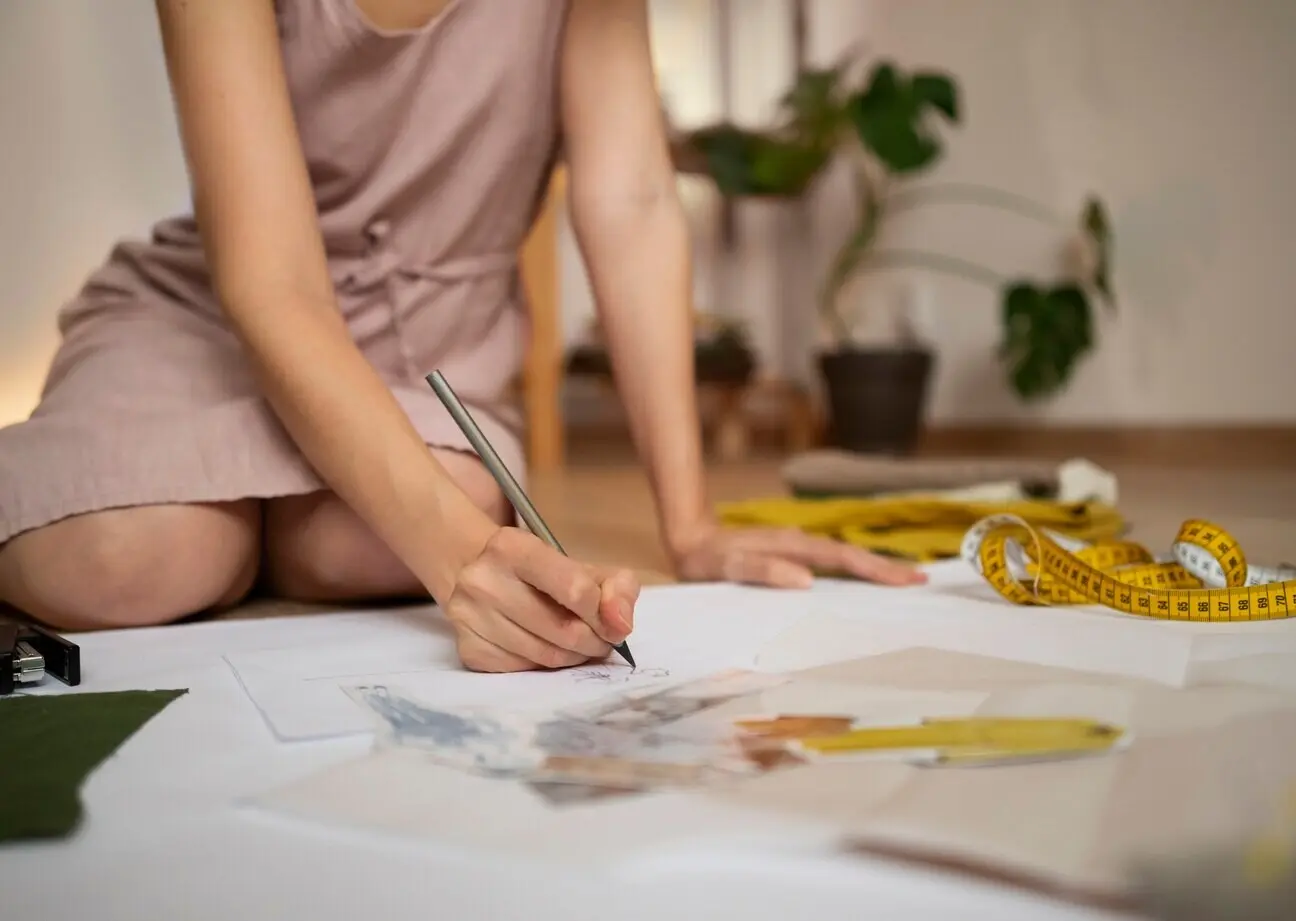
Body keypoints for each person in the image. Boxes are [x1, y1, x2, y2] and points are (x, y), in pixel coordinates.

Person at [0, 0, 924, 673]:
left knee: (364, 542)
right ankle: (234, 525)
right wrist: (460, 559)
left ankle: (264, 520)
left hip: (429, 347)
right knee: (130, 563)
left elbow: (633, 202)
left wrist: (690, 526)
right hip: (221, 316)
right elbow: (273, 286)